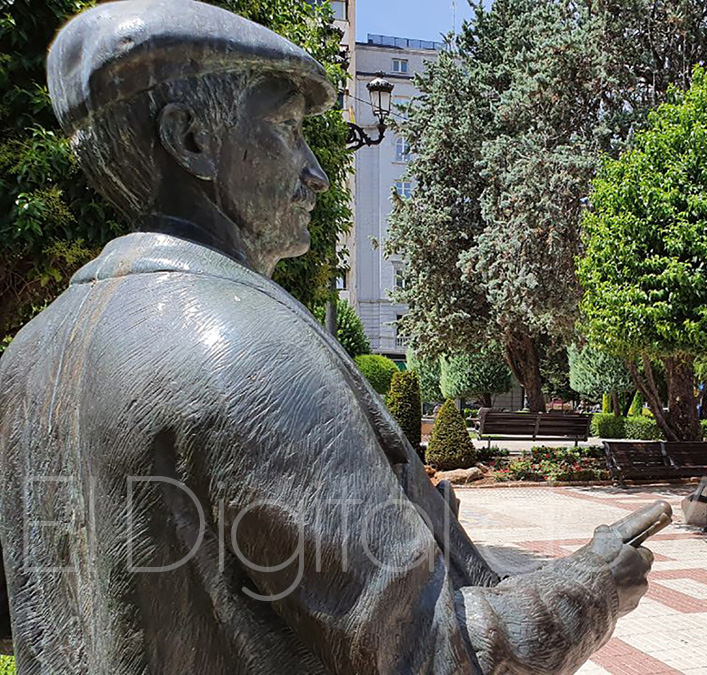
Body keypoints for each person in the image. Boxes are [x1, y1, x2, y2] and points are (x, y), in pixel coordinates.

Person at [0, 1, 663, 673]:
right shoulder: (245, 348)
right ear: (191, 139)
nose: (317, 172)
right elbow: (437, 653)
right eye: (287, 129)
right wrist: (593, 584)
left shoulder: (29, 355)